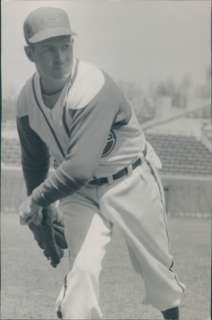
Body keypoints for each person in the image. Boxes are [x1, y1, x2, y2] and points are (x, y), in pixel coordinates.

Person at [17, 6, 185, 320]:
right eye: (48, 49)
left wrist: (37, 199)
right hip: (80, 195)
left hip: (130, 179)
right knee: (80, 278)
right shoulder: (27, 101)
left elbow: (78, 168)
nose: (60, 57)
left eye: (66, 45)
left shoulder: (92, 85)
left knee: (157, 272)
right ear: (30, 54)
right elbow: (34, 160)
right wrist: (40, 210)